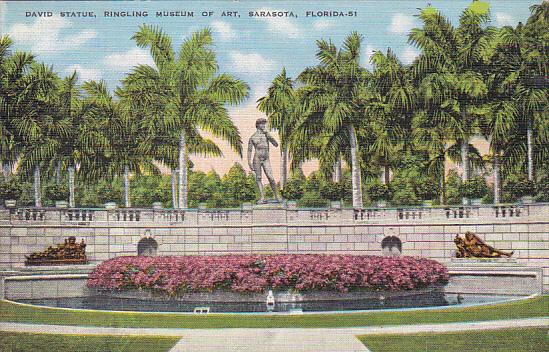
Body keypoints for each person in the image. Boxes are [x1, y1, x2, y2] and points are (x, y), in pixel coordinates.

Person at [248, 118, 280, 204]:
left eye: (264, 124)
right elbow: (249, 150)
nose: (264, 125)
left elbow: (276, 144)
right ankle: (262, 197)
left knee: (271, 178)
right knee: (258, 178)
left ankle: (277, 196)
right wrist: (249, 162)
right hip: (257, 159)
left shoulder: (266, 135)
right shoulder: (252, 137)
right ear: (257, 125)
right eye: (262, 124)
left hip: (266, 159)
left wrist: (268, 135)